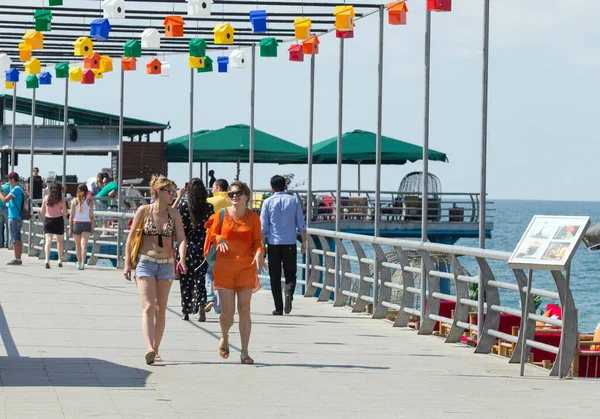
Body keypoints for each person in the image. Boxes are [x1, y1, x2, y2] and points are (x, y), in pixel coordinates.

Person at [124, 175, 187, 365]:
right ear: (159, 192)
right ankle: (149, 347)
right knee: (149, 306)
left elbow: (182, 238)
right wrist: (127, 262)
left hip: (166, 264)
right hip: (146, 262)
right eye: (170, 192)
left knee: (161, 309)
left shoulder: (173, 213)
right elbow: (130, 239)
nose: (173, 195)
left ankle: (156, 349)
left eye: (174, 192)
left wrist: (182, 258)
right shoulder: (144, 211)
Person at [204, 181, 266, 365]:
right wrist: (220, 237)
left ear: (246, 195)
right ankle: (224, 335)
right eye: (231, 194)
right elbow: (212, 235)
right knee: (228, 313)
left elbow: (257, 241)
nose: (234, 197)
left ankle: (245, 352)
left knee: (245, 310)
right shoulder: (221, 214)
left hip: (246, 268)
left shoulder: (253, 218)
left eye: (238, 193)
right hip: (224, 268)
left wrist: (259, 253)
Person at [260, 175, 307, 315]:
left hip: (273, 243)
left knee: (274, 276)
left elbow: (263, 227)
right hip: (290, 243)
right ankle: (289, 293)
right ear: (285, 185)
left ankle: (278, 308)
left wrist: (262, 246)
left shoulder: (267, 202)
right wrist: (304, 242)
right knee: (290, 274)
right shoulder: (294, 201)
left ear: (271, 187)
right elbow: (301, 224)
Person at [175, 178, 214, 321]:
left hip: (186, 245)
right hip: (203, 246)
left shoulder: (184, 207)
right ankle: (201, 306)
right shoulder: (209, 208)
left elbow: (179, 230)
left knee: (186, 279)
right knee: (200, 278)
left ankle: (186, 310)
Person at [204, 178, 231, 314]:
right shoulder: (233, 202)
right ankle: (220, 306)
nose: (212, 190)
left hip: (213, 241)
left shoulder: (210, 201)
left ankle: (210, 297)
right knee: (223, 275)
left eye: (213, 187)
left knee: (208, 272)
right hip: (230, 243)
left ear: (218, 188)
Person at [41, 182, 68, 269]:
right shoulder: (61, 200)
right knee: (59, 241)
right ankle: (60, 259)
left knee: (48, 240)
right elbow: (65, 212)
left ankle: (47, 259)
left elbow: (42, 210)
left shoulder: (46, 198)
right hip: (58, 220)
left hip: (48, 220)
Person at [0, 172, 25, 265]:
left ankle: (17, 258)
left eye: (9, 179)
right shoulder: (20, 188)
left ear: (13, 179)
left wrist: (0, 191)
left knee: (14, 238)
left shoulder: (15, 190)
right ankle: (18, 258)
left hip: (13, 216)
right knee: (18, 237)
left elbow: (5, 199)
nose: (8, 181)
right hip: (18, 216)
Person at [68, 184, 94, 270]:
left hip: (76, 224)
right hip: (86, 223)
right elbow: (91, 216)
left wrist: (70, 228)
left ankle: (79, 263)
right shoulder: (90, 201)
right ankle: (83, 263)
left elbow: (71, 216)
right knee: (84, 245)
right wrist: (92, 227)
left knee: (77, 245)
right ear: (87, 192)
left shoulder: (73, 201)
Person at [0, 179, 10, 248]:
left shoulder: (2, 187)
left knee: (0, 227)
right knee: (7, 227)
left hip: (0, 207)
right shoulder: (12, 188)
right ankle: (7, 243)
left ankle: (0, 243)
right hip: (7, 208)